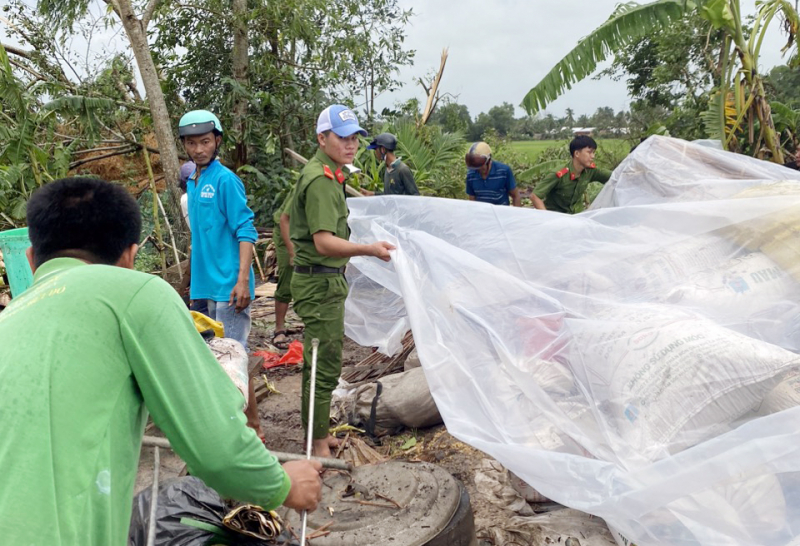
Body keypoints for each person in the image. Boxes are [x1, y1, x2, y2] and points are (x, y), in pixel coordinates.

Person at [0, 177, 322, 545]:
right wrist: (283, 485)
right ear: (130, 256)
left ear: (30, 257)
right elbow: (217, 446)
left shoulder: (7, 319)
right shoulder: (136, 292)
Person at [289, 104, 395, 458]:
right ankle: (316, 443)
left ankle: (316, 434)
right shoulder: (320, 179)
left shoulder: (329, 174)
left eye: (355, 138)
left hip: (324, 281)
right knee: (323, 363)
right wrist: (369, 249)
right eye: (342, 138)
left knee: (324, 361)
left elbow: (290, 218)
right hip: (319, 284)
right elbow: (323, 242)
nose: (351, 145)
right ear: (322, 138)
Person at [179, 110, 256, 349]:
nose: (199, 149)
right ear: (184, 145)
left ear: (217, 141)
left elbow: (246, 230)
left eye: (205, 142)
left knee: (231, 357)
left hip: (229, 286)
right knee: (214, 357)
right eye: (192, 143)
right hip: (206, 285)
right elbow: (201, 237)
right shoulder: (192, 180)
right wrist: (193, 284)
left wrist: (242, 281)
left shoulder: (226, 180)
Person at [532, 135, 612, 213]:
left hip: (577, 217)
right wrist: (547, 216)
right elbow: (535, 196)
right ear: (577, 153)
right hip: (557, 218)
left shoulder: (591, 171)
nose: (593, 156)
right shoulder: (559, 174)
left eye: (594, 153)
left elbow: (615, 176)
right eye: (589, 152)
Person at [272, 188, 296, 349]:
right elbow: (284, 219)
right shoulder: (311, 182)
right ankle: (279, 328)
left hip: (305, 233)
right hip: (287, 232)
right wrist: (292, 251)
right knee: (287, 278)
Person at [465, 141, 521, 206]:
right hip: (482, 212)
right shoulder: (471, 175)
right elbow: (472, 200)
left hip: (500, 212)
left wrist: (516, 214)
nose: (479, 169)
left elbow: (515, 195)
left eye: (482, 166)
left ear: (488, 160)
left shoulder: (503, 171)